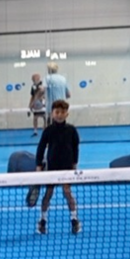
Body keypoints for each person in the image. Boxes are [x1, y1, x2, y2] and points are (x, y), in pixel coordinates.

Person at [34, 99, 83, 235]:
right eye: (57, 112)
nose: (60, 115)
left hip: (67, 168)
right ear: (52, 113)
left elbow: (75, 148)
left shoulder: (72, 130)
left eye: (62, 112)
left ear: (67, 114)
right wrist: (38, 165)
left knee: (67, 192)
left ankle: (74, 220)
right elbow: (41, 148)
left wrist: (74, 164)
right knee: (48, 194)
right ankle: (42, 221)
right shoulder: (48, 131)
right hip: (51, 169)